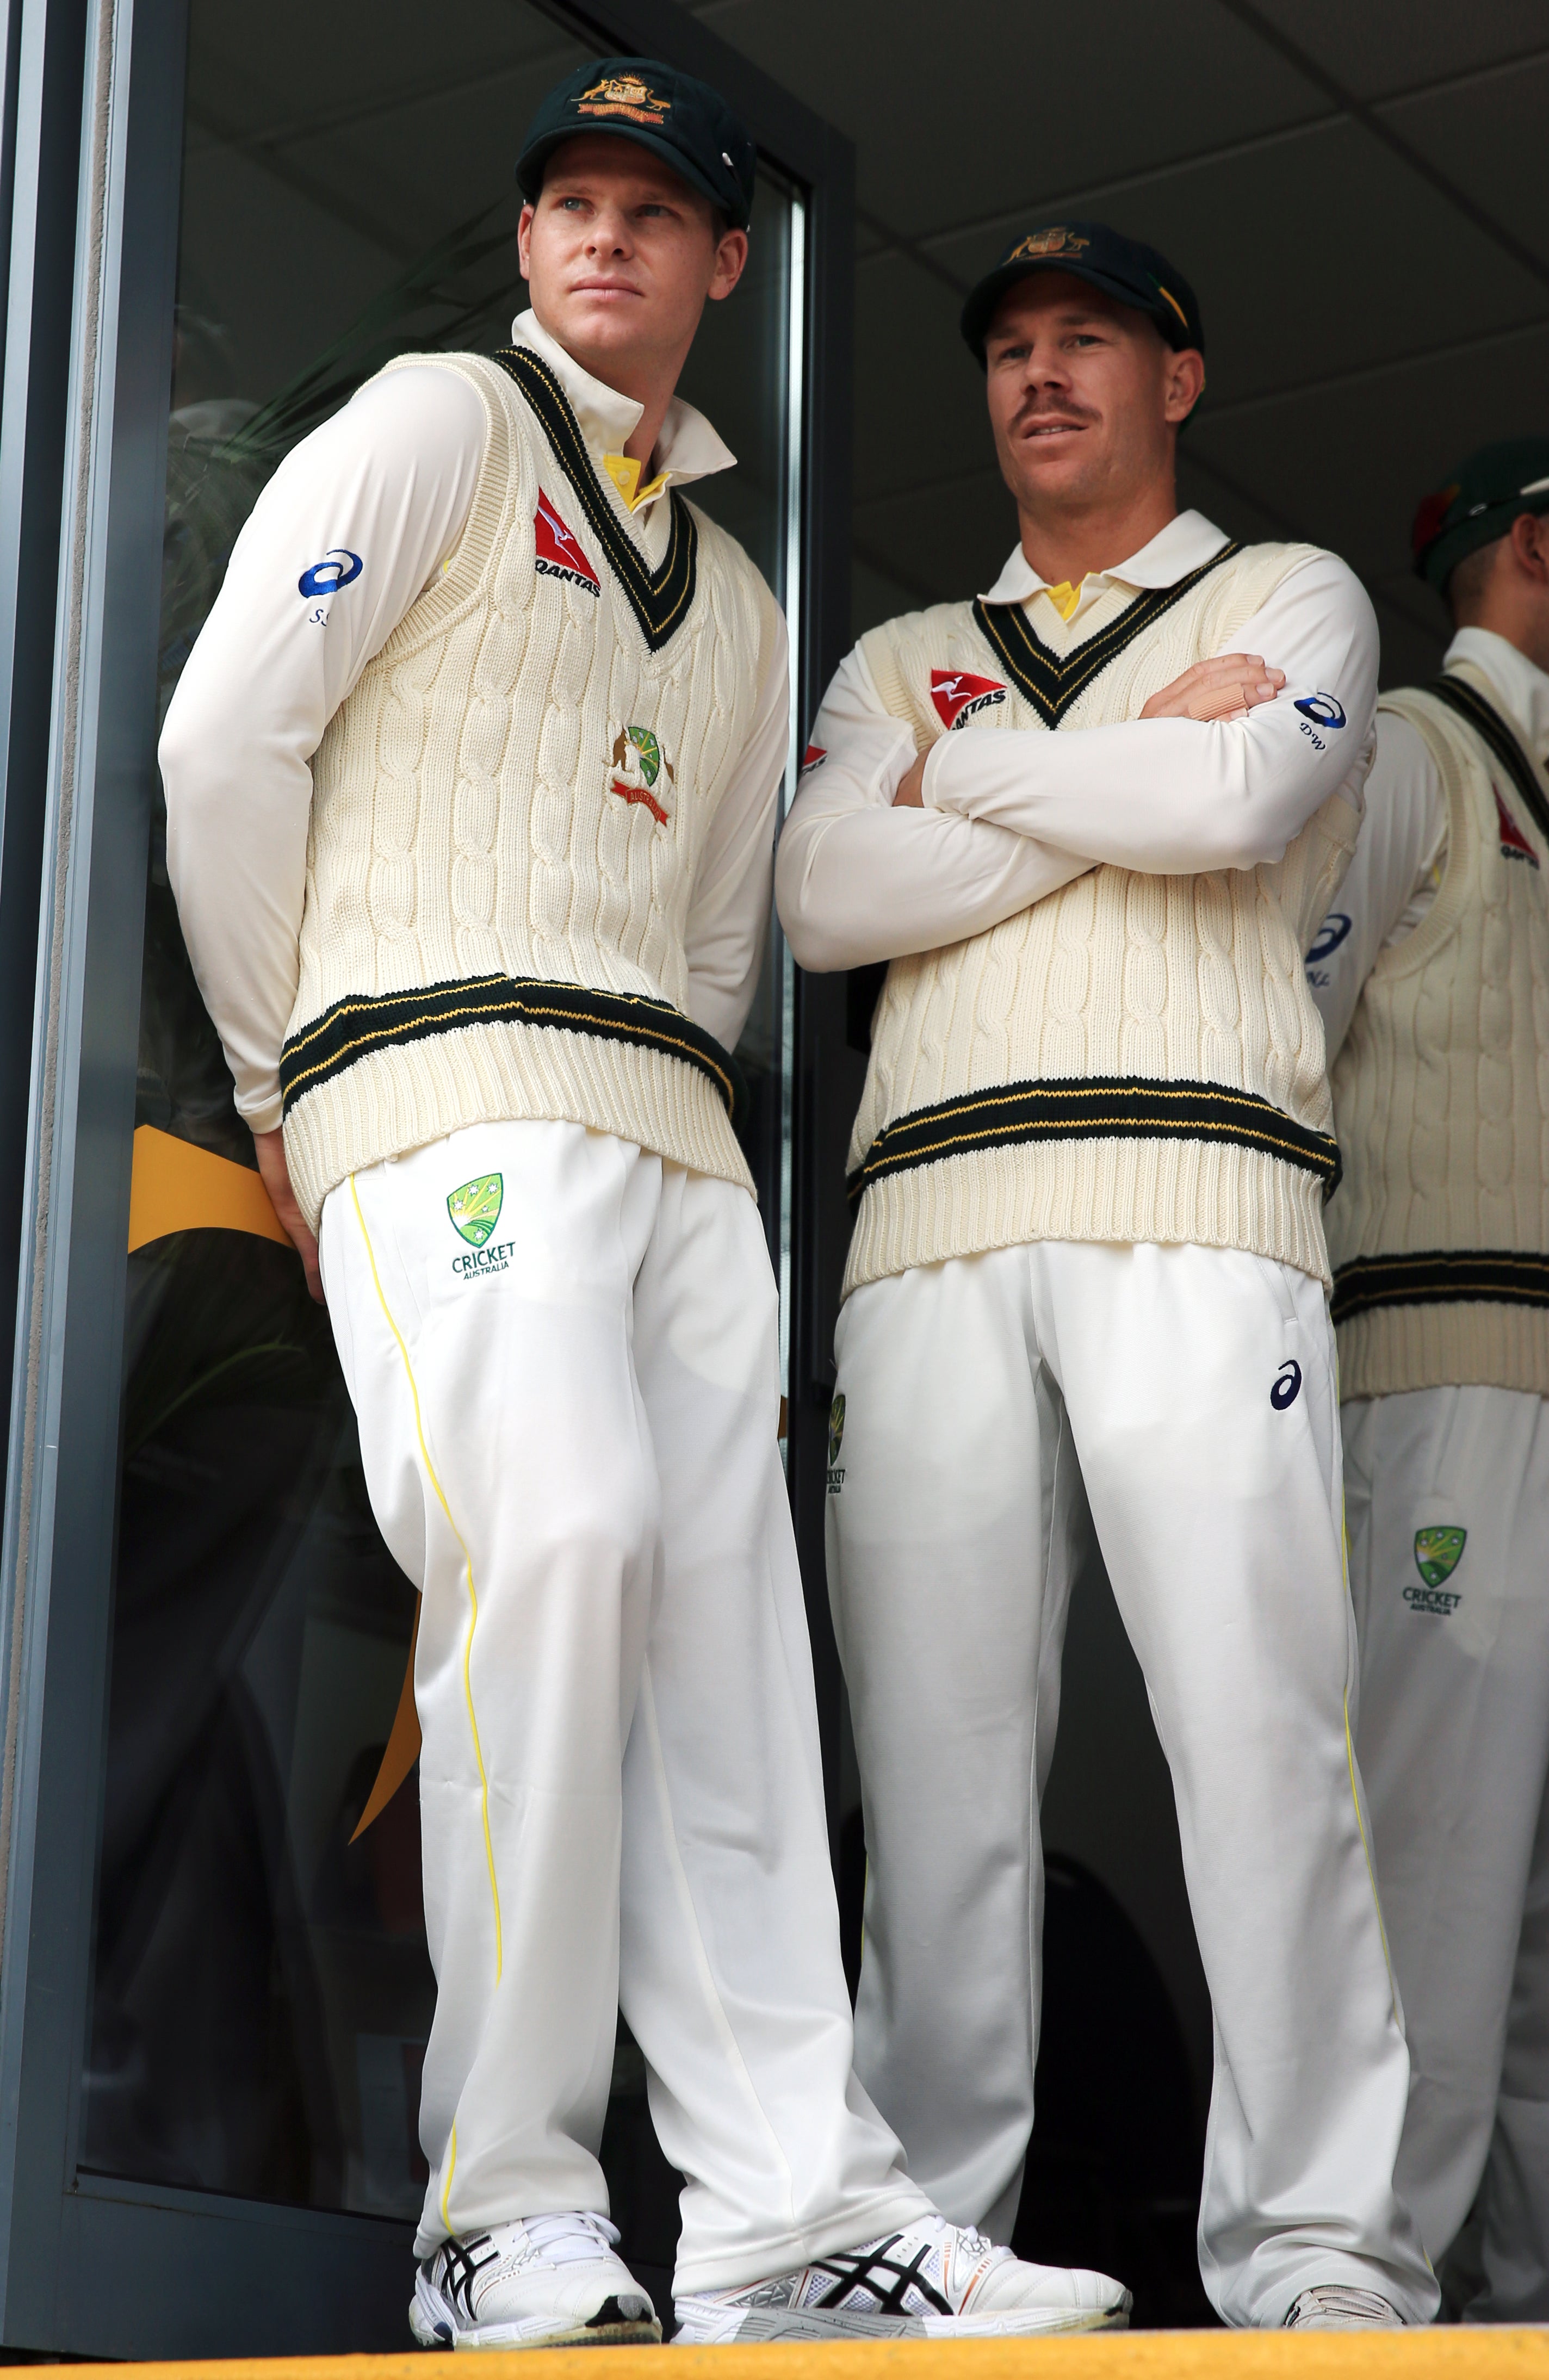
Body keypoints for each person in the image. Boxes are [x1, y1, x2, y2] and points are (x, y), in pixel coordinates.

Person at [159, 62, 1131, 2352]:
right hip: (443, 1083)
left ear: (722, 265)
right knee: (563, 1540)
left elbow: (717, 930)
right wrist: (281, 1078)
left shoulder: (749, 588)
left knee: (726, 1661)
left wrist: (672, 1115)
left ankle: (794, 2211)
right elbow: (226, 741)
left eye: (648, 212)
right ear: (526, 248)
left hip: (669, 1137)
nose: (600, 237)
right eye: (566, 205)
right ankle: (498, 2205)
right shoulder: (428, 424)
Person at [777, 219, 1440, 2332]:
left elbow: (1245, 793)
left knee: (1257, 1732)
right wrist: (1112, 778)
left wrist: (967, 789)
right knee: (942, 1766)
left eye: (1088, 341)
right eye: (1007, 348)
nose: (1037, 374)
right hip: (928, 1230)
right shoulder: (892, 651)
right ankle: (918, 2236)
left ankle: (1321, 2245)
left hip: (1200, 1196)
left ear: (1182, 377)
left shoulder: (1286, 596)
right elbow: (818, 897)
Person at [1308, 440, 1549, 2322]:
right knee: (1440, 1856)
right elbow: (1284, 1016)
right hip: (1442, 1345)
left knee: (1525, 1895)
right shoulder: (1415, 748)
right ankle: (1365, 2282)